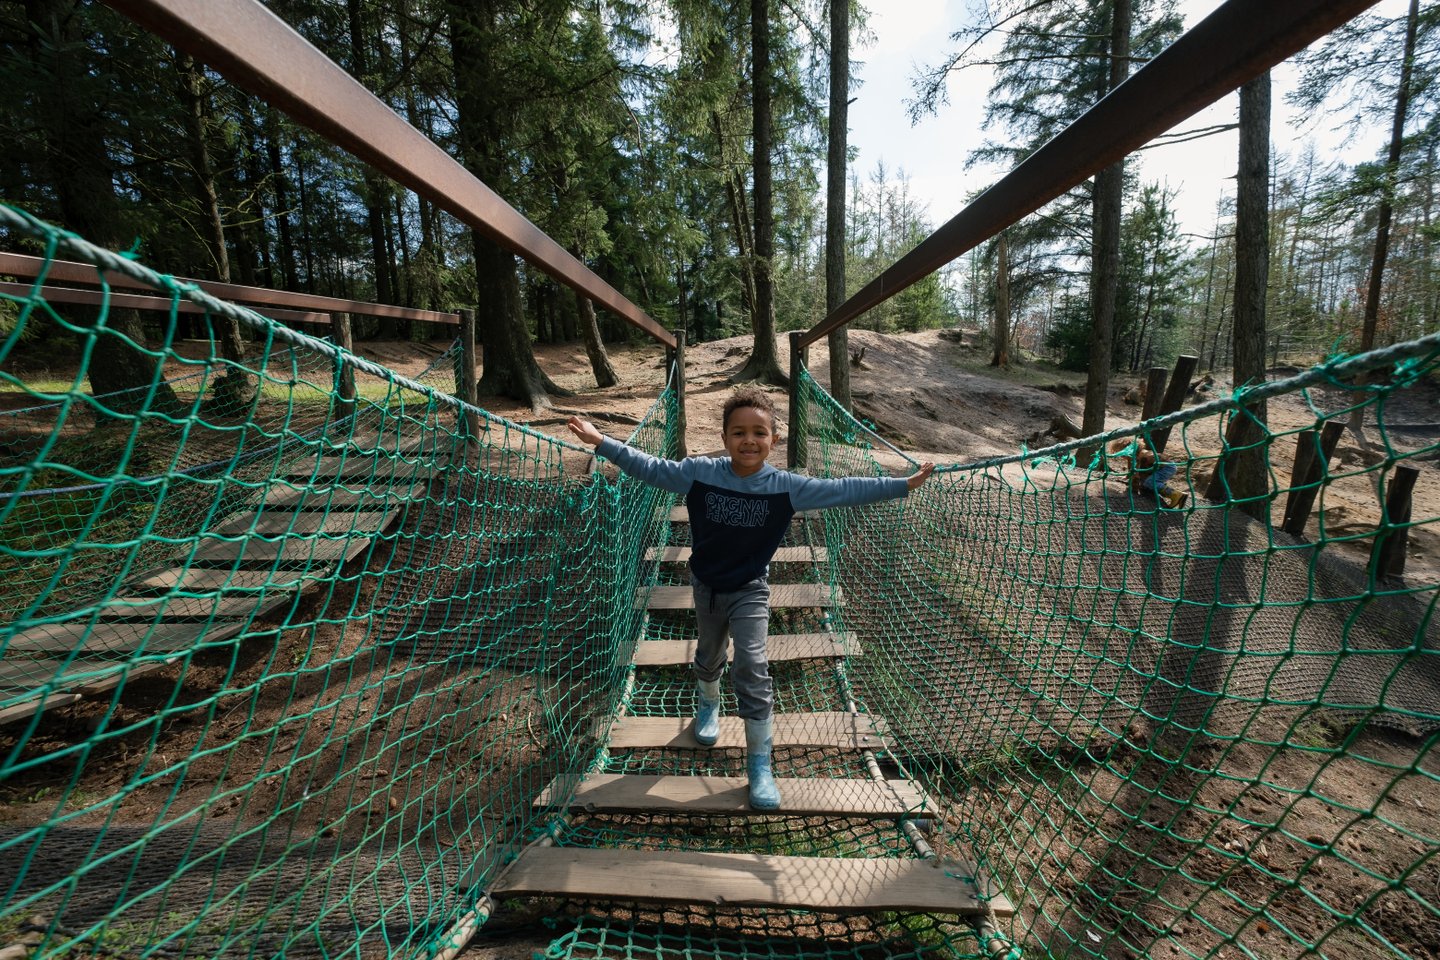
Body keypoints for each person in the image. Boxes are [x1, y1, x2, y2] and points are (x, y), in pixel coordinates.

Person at [567, 388, 934, 810]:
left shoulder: (787, 488)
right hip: (706, 586)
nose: (749, 440)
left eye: (759, 432)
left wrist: (902, 485)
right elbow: (651, 468)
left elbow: (844, 489)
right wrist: (602, 442)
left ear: (774, 440)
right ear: (724, 437)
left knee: (752, 665)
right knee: (708, 657)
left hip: (751, 590)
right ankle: (708, 703)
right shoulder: (700, 473)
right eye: (738, 432)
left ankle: (760, 764)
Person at [1104, 436, 1188, 509]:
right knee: (1145, 483)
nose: (1122, 456)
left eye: (1122, 453)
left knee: (1149, 482)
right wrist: (1128, 476)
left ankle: (1176, 495)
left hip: (1167, 468)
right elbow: (1132, 470)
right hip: (1158, 468)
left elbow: (1136, 473)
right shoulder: (1132, 457)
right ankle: (1158, 488)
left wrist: (1133, 487)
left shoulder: (1143, 455)